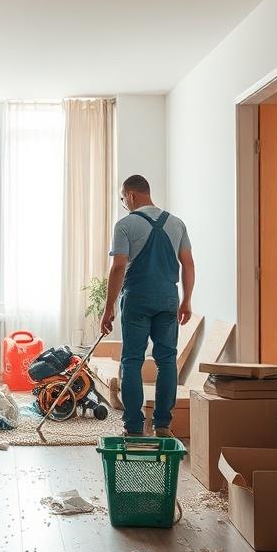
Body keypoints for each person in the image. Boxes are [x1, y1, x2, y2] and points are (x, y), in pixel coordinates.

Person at [100, 174, 195, 437]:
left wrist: (108, 308)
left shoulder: (125, 225)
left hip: (137, 299)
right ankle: (163, 425)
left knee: (132, 360)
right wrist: (186, 300)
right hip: (167, 299)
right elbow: (188, 263)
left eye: (123, 199)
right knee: (167, 361)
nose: (124, 204)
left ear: (130, 195)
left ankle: (133, 427)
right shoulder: (177, 223)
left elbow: (119, 266)